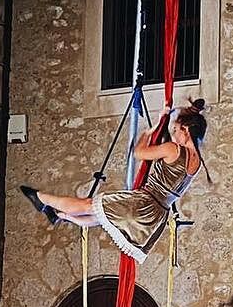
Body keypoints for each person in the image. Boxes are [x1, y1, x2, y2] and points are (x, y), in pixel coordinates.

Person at [20, 99, 209, 263]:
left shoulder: (173, 149)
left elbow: (139, 153)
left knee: (88, 205)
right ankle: (60, 216)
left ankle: (40, 198)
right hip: (157, 215)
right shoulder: (198, 162)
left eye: (176, 130)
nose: (174, 135)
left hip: (143, 202)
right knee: (98, 218)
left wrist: (149, 132)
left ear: (186, 130)